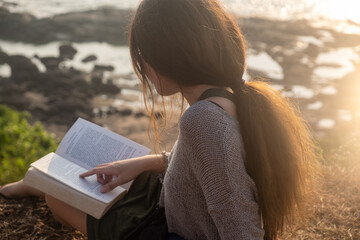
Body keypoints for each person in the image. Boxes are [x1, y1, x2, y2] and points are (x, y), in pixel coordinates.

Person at [0, 0, 315, 239]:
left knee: (58, 197)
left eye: (144, 58)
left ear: (168, 58)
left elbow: (240, 228)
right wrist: (145, 162)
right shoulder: (227, 99)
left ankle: (38, 184)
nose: (145, 69)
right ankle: (34, 181)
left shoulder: (204, 120)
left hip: (164, 228)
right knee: (92, 172)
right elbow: (212, 166)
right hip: (163, 196)